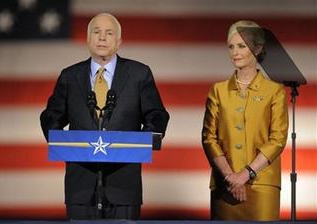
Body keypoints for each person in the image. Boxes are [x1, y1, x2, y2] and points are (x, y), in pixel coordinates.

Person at [40, 13, 169, 220]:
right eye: (96, 32)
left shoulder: (139, 74)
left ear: (119, 41)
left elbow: (157, 114)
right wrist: (62, 142)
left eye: (109, 33)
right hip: (80, 185)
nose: (102, 38)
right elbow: (51, 116)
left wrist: (141, 142)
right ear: (87, 39)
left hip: (124, 184)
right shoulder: (70, 76)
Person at [201, 20, 289, 221]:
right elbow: (208, 138)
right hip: (225, 185)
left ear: (257, 49)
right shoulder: (218, 90)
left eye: (242, 46)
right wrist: (230, 177)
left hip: (262, 186)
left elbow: (277, 140)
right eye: (231, 47)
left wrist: (245, 175)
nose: (235, 52)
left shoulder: (274, 91)